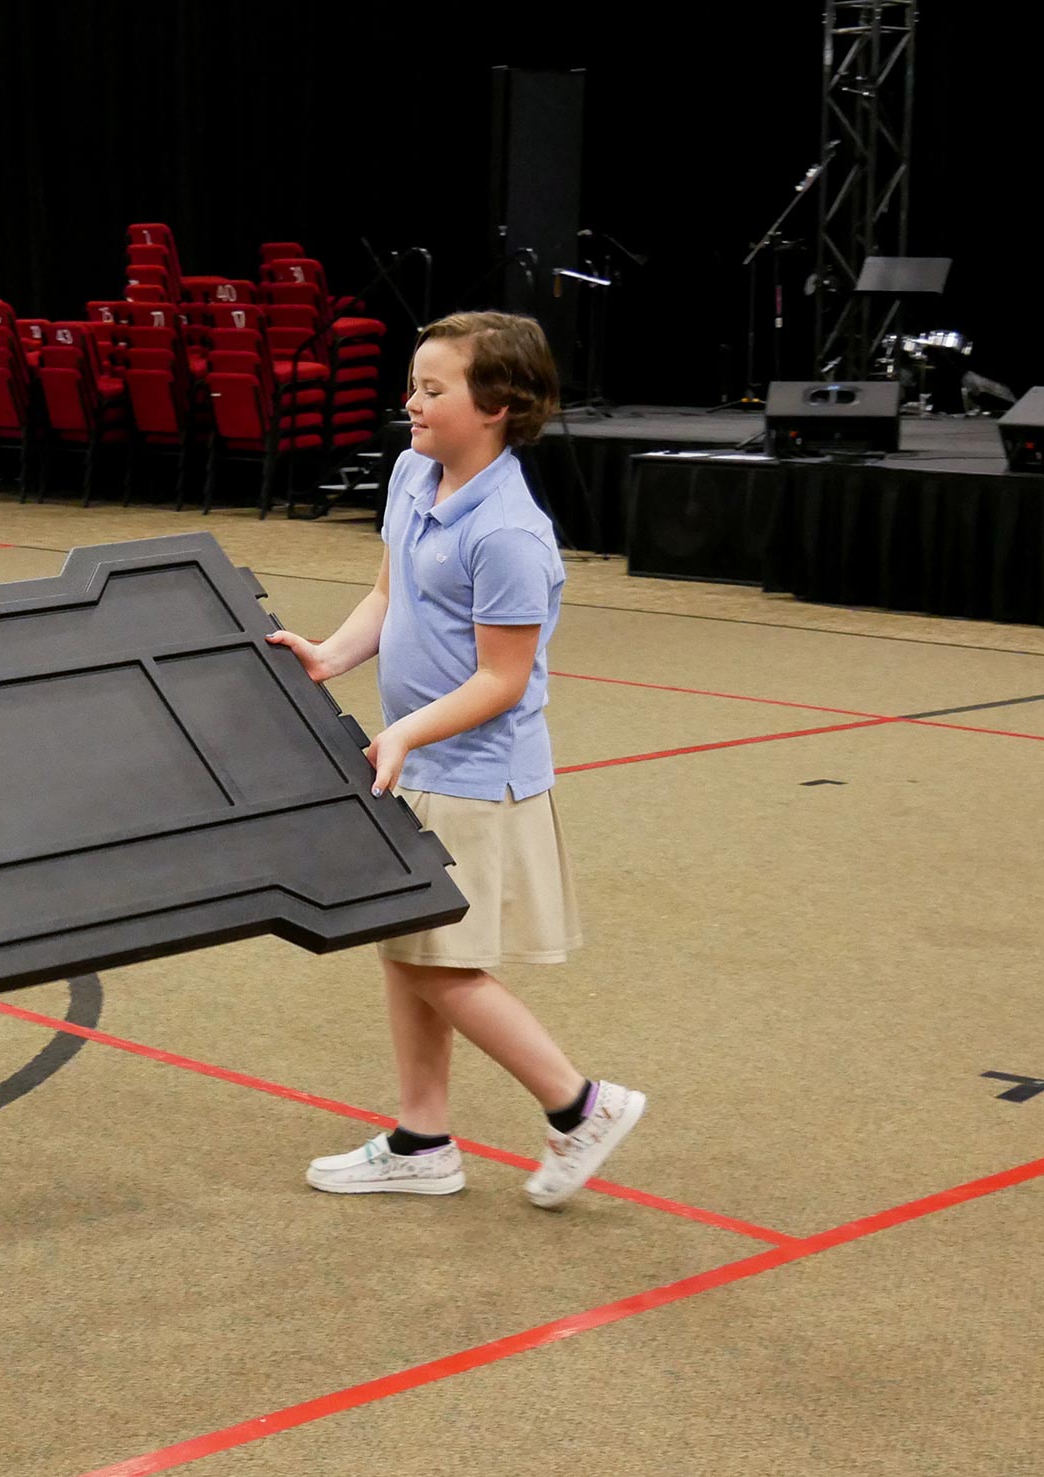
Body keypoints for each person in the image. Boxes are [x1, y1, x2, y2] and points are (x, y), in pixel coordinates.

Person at [267, 311, 644, 1208]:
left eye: (434, 390)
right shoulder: (411, 474)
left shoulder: (511, 533)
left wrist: (403, 732)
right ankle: (422, 1139)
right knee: (409, 947)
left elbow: (502, 679)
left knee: (438, 960)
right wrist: (331, 655)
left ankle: (579, 1104)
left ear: (499, 406)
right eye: (413, 385)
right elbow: (389, 590)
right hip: (419, 761)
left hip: (476, 775)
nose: (412, 403)